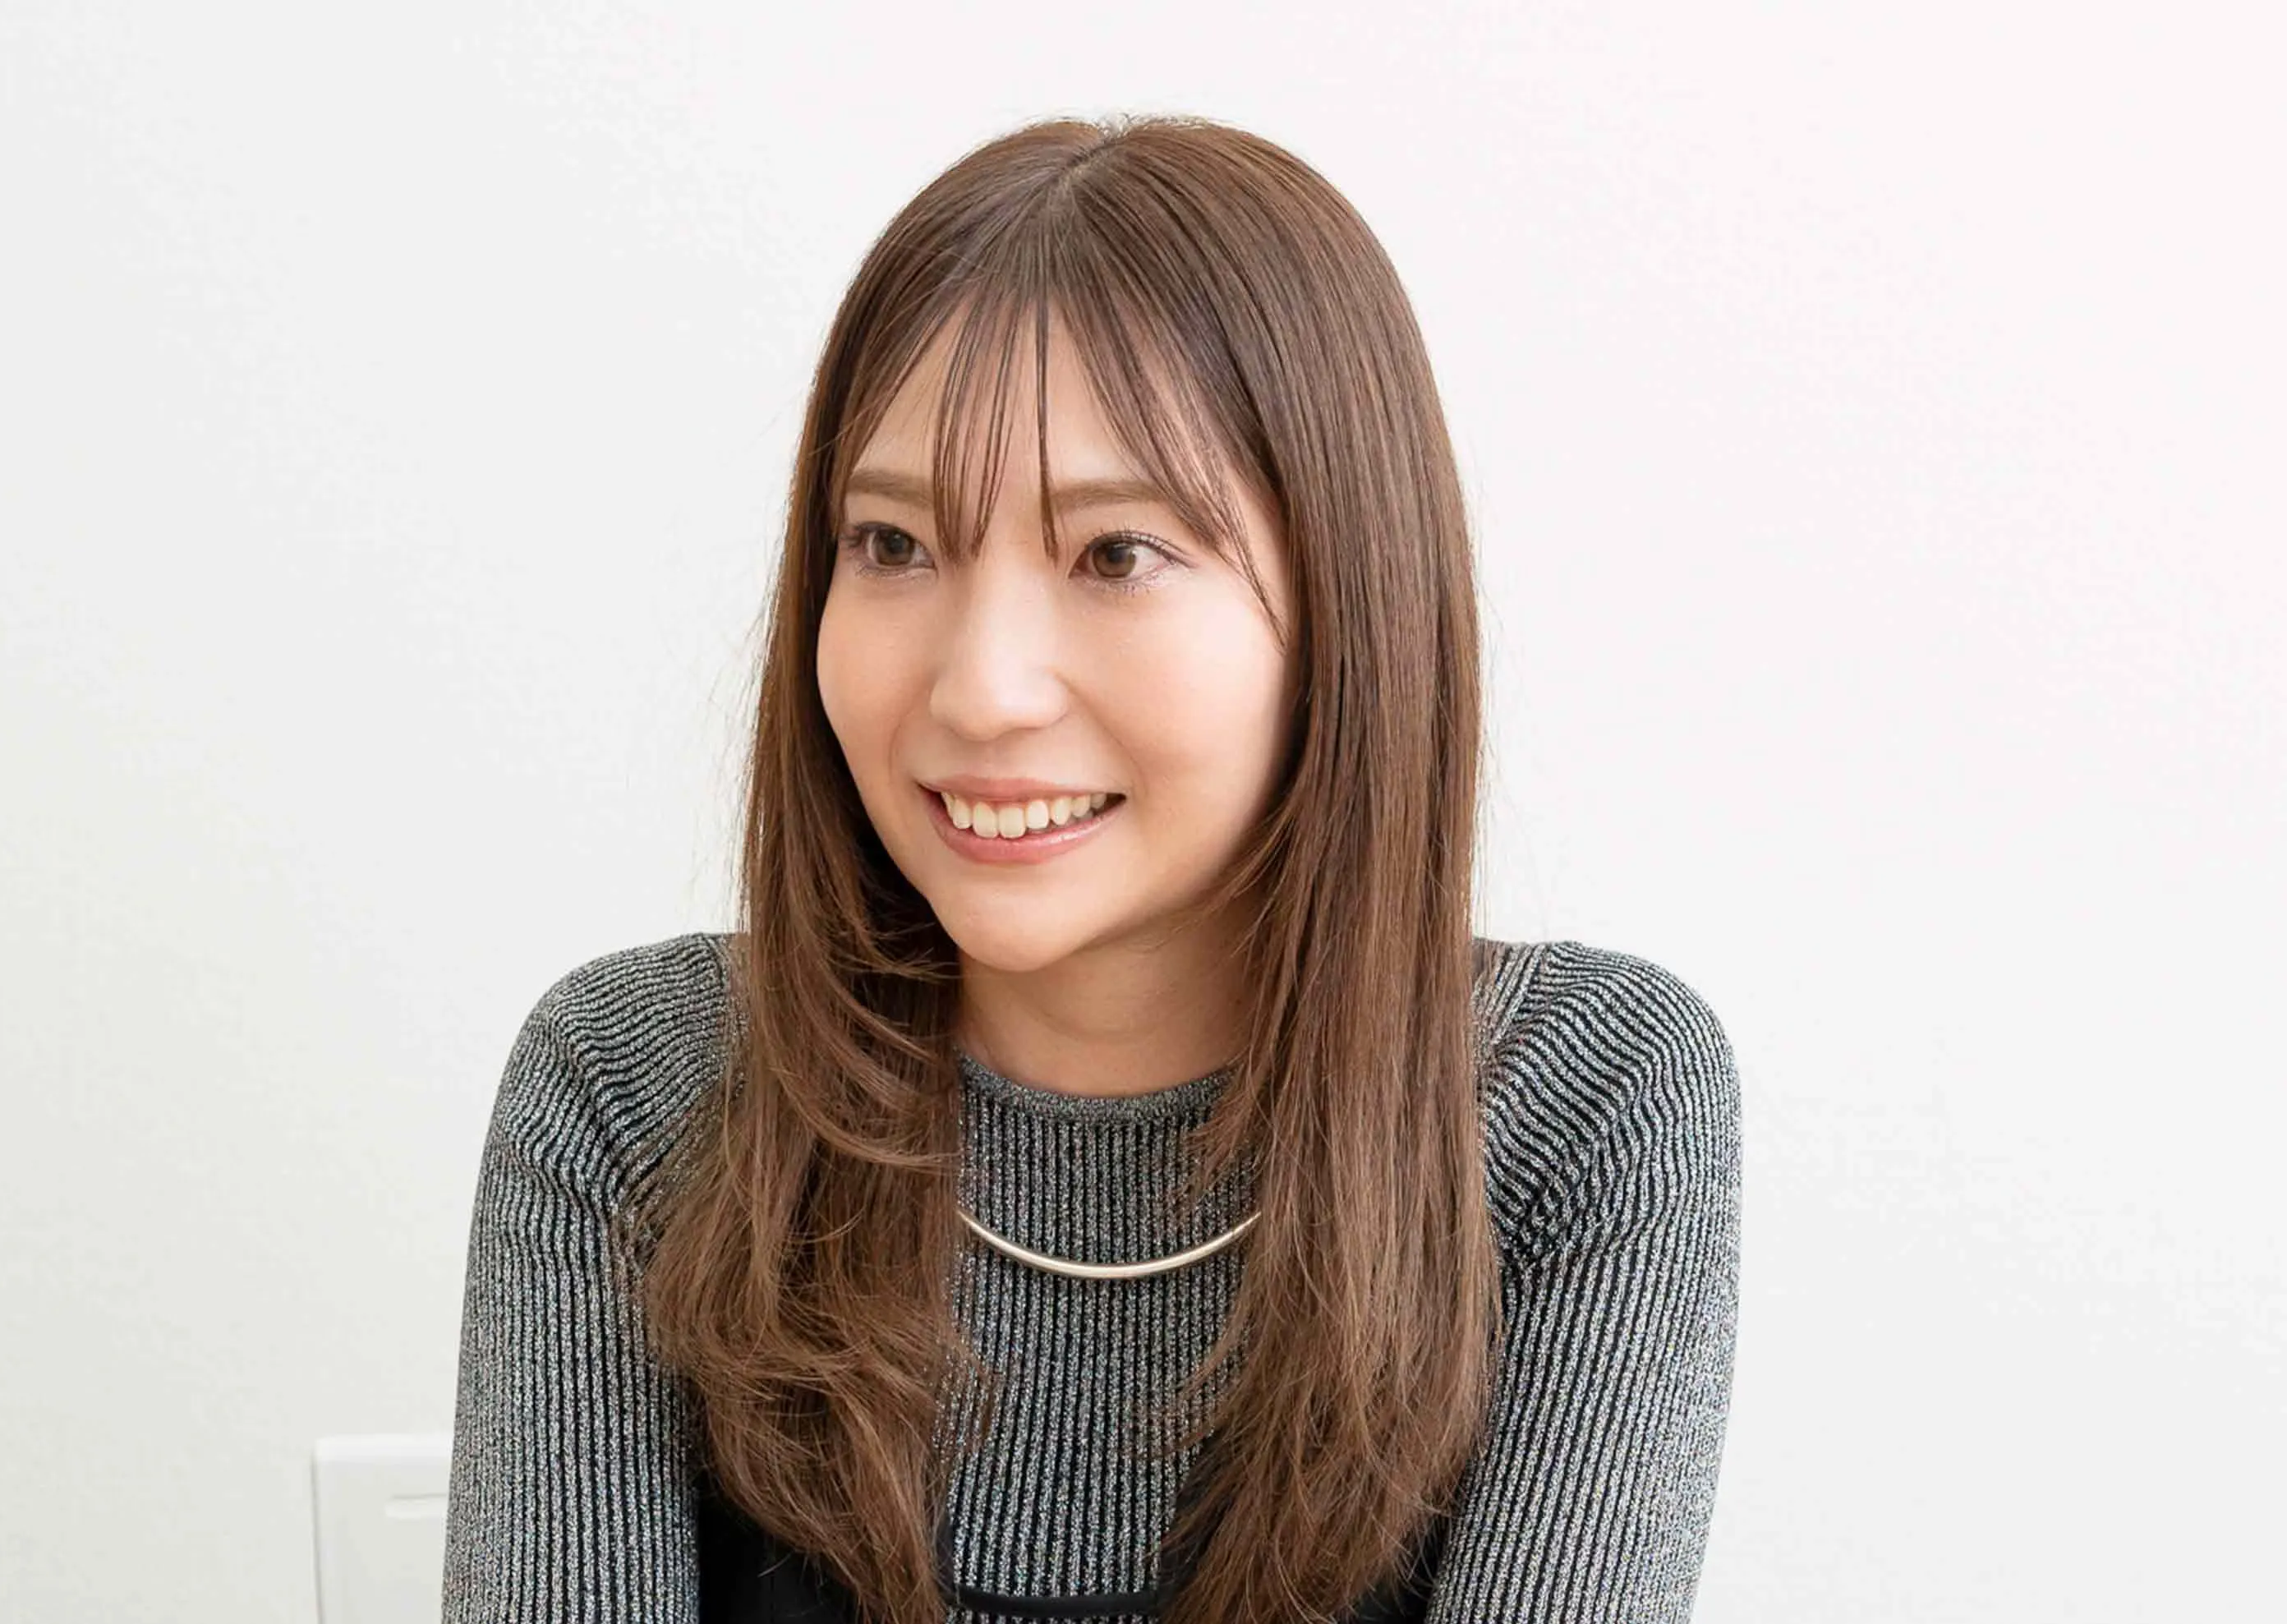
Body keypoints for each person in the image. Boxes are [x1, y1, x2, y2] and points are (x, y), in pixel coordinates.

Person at [440, 113, 1742, 1624]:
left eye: (1116, 554)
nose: (983, 689)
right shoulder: (636, 1091)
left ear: (1348, 600)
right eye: (893, 545)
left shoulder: (1579, 1105)